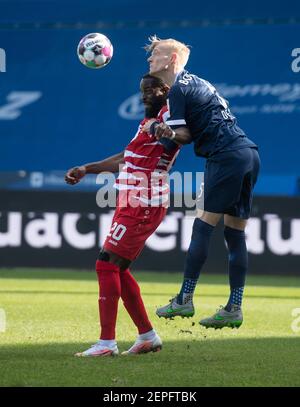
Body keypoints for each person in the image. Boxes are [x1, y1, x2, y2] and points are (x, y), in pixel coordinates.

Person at [143, 36, 261, 329]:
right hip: (248, 154)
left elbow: (184, 136)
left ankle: (184, 299)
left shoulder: (178, 89)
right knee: (235, 235)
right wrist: (162, 158)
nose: (150, 59)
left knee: (202, 226)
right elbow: (185, 132)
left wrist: (160, 129)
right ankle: (234, 307)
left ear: (171, 59)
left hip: (225, 156)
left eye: (155, 54)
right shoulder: (196, 83)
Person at [65, 74, 180, 356]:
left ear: (165, 90)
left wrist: (170, 70)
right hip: (132, 199)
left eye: (151, 90)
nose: (145, 96)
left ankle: (106, 343)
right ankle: (147, 336)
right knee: (118, 267)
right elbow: (125, 157)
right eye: (142, 92)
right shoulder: (146, 123)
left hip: (144, 200)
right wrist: (86, 168)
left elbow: (179, 131)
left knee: (106, 263)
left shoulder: (169, 114)